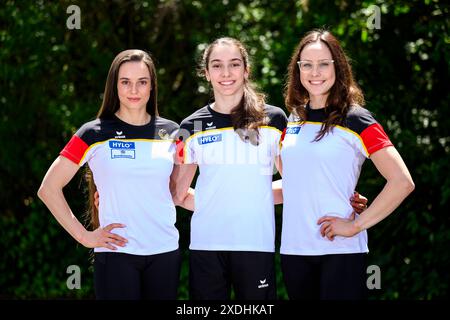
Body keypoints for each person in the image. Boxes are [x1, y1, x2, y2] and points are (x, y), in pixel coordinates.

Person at [172, 37, 368, 300]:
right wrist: (219, 203)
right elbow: (178, 194)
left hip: (257, 245)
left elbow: (296, 183)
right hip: (206, 245)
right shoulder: (189, 126)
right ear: (206, 73)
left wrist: (341, 198)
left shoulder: (274, 120)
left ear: (246, 70)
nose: (226, 73)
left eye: (234, 64)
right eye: (217, 65)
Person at [279, 29, 415, 299]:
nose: (314, 72)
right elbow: (293, 179)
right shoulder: (293, 119)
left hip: (340, 250)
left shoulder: (357, 119)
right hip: (294, 250)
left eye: (323, 64)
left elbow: (402, 182)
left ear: (337, 68)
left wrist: (355, 225)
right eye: (307, 64)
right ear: (298, 70)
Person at [37, 49, 183, 299]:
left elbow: (176, 192)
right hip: (116, 255)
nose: (134, 90)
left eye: (142, 82)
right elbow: (48, 189)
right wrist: (84, 237)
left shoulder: (173, 132)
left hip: (165, 252)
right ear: (114, 86)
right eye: (125, 82)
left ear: (152, 87)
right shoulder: (92, 133)